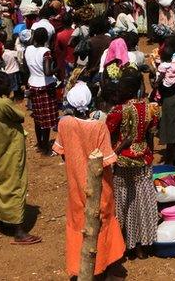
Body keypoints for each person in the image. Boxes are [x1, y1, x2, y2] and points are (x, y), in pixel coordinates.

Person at [53, 84, 126, 278]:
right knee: (103, 220)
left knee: (79, 222)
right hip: (100, 185)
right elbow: (108, 160)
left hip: (76, 184)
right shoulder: (99, 126)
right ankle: (105, 265)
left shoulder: (64, 123)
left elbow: (62, 153)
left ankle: (81, 267)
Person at [0, 71, 41, 244]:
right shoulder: (4, 103)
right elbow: (20, 117)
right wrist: (9, 98)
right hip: (11, 149)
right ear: (2, 86)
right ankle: (19, 232)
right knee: (16, 185)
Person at [105, 68, 160, 259]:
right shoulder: (149, 108)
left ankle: (127, 244)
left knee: (124, 204)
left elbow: (108, 133)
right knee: (143, 202)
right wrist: (148, 154)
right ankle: (144, 245)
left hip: (123, 162)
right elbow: (150, 134)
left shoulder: (118, 111)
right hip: (143, 160)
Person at [24, 27, 58, 154]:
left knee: (38, 117)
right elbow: (48, 72)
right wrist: (58, 68)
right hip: (45, 86)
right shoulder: (46, 51)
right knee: (47, 119)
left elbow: (25, 67)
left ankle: (40, 142)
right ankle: (45, 146)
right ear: (46, 38)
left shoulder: (28, 49)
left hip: (33, 84)